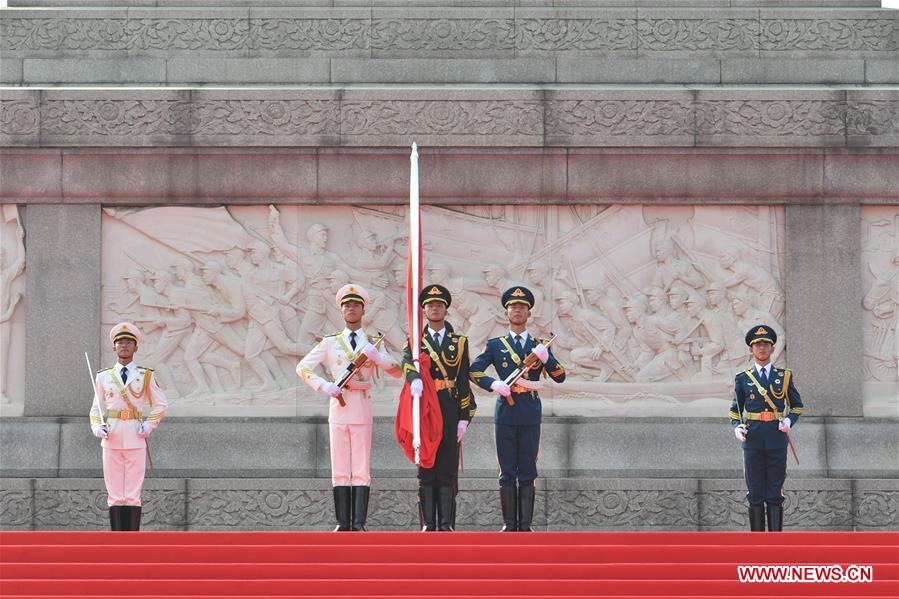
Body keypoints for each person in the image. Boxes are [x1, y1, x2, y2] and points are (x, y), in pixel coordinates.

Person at [297, 284, 402, 531]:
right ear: (341, 311)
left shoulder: (373, 342)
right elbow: (303, 367)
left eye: (355, 305)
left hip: (362, 407)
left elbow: (397, 371)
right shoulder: (330, 342)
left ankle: (359, 522)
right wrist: (324, 386)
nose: (351, 309)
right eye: (347, 306)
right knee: (341, 466)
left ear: (363, 310)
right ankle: (343, 523)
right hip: (339, 406)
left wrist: (378, 358)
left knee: (362, 467)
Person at [470, 287, 566, 532]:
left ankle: (525, 525)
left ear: (529, 313)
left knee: (528, 468)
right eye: (513, 307)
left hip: (530, 409)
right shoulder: (495, 345)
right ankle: (509, 524)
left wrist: (547, 359)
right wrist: (494, 384)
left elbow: (560, 376)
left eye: (522, 307)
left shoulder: (539, 346)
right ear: (506, 313)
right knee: (506, 468)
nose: (517, 310)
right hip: (506, 410)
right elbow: (474, 371)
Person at [402, 284, 477, 531]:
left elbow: (464, 379)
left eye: (439, 305)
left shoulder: (460, 342)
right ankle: (428, 524)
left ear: (445, 309)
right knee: (426, 466)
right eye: (430, 305)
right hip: (425, 407)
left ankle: (446, 524)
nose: (434, 308)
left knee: (446, 467)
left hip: (449, 406)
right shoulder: (415, 341)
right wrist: (414, 379)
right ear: (423, 310)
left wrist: (464, 417)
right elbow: (406, 362)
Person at [89, 323, 168, 531]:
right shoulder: (103, 376)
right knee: (114, 492)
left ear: (136, 348)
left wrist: (149, 426)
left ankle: (132, 541)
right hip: (112, 435)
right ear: (114, 348)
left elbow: (161, 405)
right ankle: (117, 540)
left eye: (129, 343)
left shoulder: (146, 375)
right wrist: (97, 427)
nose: (124, 346)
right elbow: (96, 408)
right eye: (120, 343)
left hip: (135, 435)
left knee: (133, 492)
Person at [729, 325, 804, 532]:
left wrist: (789, 421)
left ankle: (775, 545)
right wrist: (737, 427)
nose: (761, 348)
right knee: (754, 492)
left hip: (776, 438)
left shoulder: (784, 376)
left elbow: (797, 406)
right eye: (757, 345)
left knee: (774, 492)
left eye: (766, 345)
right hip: (752, 438)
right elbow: (735, 409)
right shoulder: (743, 378)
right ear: (751, 350)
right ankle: (757, 546)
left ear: (772, 349)